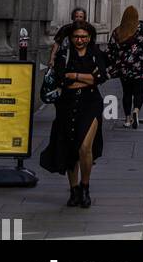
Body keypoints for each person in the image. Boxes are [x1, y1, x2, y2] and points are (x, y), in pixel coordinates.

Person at [39, 21, 107, 207]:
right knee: (71, 148)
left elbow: (101, 77)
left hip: (91, 103)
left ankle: (85, 187)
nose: (80, 40)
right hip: (66, 105)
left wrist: (74, 76)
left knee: (85, 147)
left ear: (90, 37)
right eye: (77, 37)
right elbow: (62, 79)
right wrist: (87, 79)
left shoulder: (96, 54)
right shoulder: (63, 55)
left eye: (84, 37)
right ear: (71, 37)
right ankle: (74, 190)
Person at [106, 6, 143, 129]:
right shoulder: (142, 30)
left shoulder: (117, 31)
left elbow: (110, 51)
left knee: (127, 93)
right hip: (140, 68)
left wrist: (114, 64)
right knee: (139, 92)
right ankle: (136, 111)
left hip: (124, 69)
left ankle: (127, 119)